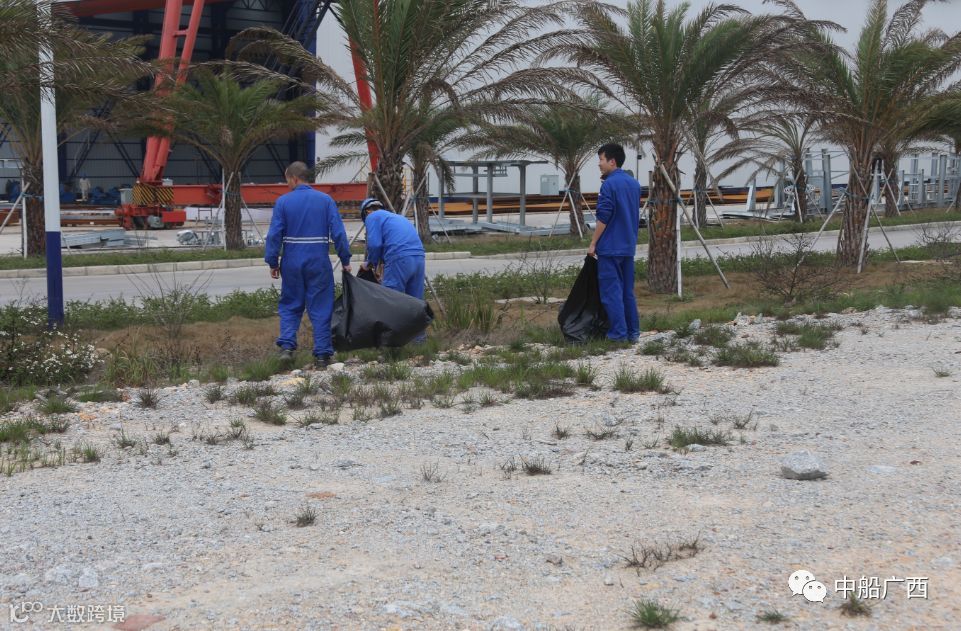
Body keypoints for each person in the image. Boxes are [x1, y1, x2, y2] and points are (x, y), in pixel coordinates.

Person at [265, 162, 352, 367]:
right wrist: (345, 259)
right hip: (318, 260)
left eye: (287, 180)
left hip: (292, 260)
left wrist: (273, 261)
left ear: (294, 178)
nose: (287, 185)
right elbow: (338, 233)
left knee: (290, 304)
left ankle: (287, 347)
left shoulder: (283, 202)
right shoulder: (326, 200)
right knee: (321, 306)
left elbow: (274, 235)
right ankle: (322, 355)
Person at [588, 143, 642, 342]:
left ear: (612, 161)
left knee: (612, 293)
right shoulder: (634, 184)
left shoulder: (609, 185)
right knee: (627, 292)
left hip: (610, 247)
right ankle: (633, 333)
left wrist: (593, 243)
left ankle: (618, 335)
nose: (599, 164)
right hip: (628, 246)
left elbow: (604, 216)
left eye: (601, 159)